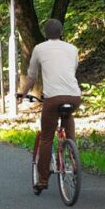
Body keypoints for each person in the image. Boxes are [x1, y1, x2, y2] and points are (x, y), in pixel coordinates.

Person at [18, 18, 81, 194]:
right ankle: (73, 157)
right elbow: (72, 70)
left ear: (45, 34)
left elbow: (32, 76)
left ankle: (43, 179)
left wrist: (22, 94)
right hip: (74, 96)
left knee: (46, 138)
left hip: (53, 98)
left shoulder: (39, 48)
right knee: (68, 118)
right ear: (61, 32)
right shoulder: (72, 48)